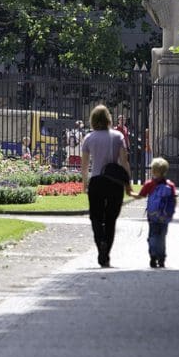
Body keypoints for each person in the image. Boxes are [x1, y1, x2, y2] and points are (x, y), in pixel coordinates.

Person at [80, 104, 132, 268]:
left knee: (95, 216)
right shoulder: (118, 137)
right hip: (114, 181)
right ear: (109, 119)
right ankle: (106, 254)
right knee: (111, 219)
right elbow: (124, 161)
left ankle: (100, 243)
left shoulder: (89, 138)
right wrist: (128, 183)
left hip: (97, 180)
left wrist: (84, 183)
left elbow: (84, 164)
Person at [131, 157, 177, 268]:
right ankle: (161, 258)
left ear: (153, 171)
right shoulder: (170, 185)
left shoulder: (150, 184)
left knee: (152, 235)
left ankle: (153, 256)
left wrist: (130, 192)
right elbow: (174, 200)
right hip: (165, 217)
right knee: (162, 236)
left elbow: (140, 196)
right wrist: (170, 213)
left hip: (153, 216)